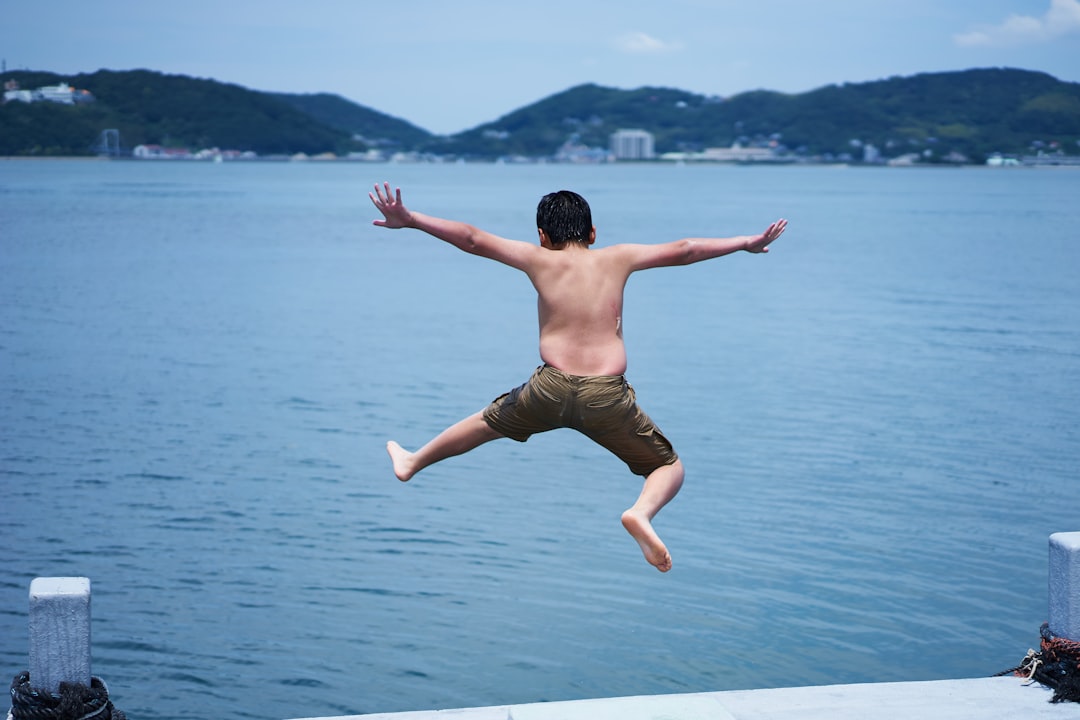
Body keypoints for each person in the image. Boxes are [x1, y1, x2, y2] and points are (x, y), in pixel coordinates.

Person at [370, 182, 787, 572]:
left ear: (541, 236)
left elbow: (472, 238)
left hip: (548, 389)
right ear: (591, 232)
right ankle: (639, 513)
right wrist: (746, 243)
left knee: (486, 423)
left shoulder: (538, 259)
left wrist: (412, 219)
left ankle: (413, 461)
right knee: (668, 468)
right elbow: (686, 249)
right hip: (606, 396)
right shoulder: (617, 257)